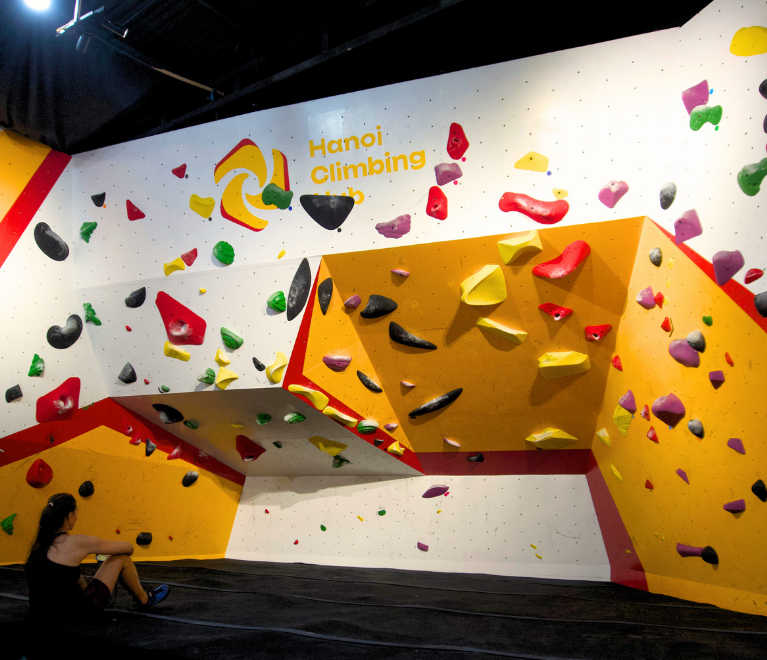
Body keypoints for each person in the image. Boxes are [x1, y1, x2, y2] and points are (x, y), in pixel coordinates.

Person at [24, 493, 170, 620]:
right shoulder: (77, 542)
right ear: (69, 516)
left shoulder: (38, 545)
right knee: (122, 558)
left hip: (40, 613)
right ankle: (144, 599)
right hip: (75, 615)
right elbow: (128, 547)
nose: (77, 517)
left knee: (69, 572)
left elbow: (66, 576)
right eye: (76, 513)